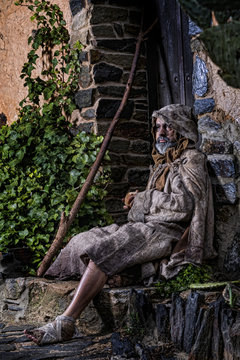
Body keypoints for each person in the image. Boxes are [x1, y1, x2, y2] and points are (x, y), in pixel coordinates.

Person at [24, 104, 216, 345]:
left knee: (106, 250)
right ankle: (124, 273)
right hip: (146, 227)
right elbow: (152, 204)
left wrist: (144, 199)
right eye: (157, 127)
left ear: (181, 128)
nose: (161, 132)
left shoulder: (191, 160)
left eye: (168, 126)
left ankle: (65, 322)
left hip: (167, 232)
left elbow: (185, 207)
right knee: (84, 240)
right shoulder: (161, 162)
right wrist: (137, 202)